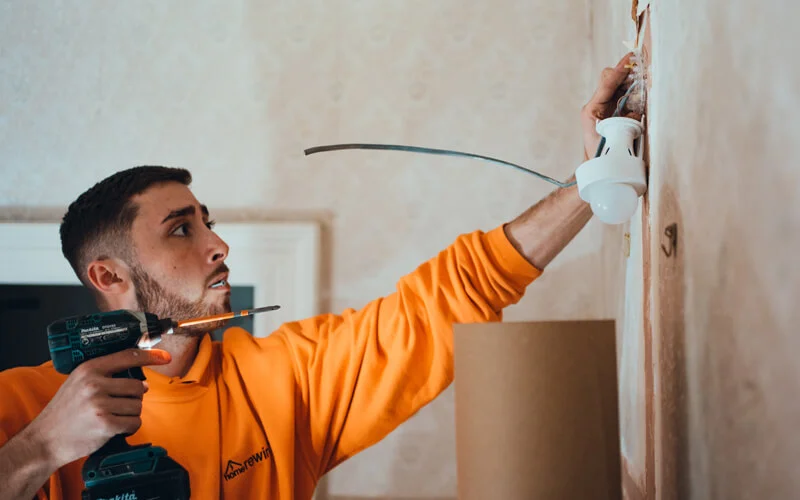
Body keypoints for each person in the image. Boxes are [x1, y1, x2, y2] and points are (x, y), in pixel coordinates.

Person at [0, 53, 636, 499]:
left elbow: (446, 299)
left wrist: (591, 182)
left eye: (208, 223)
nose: (219, 245)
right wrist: (41, 448)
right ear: (109, 275)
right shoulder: (22, 408)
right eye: (180, 229)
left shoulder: (285, 381)